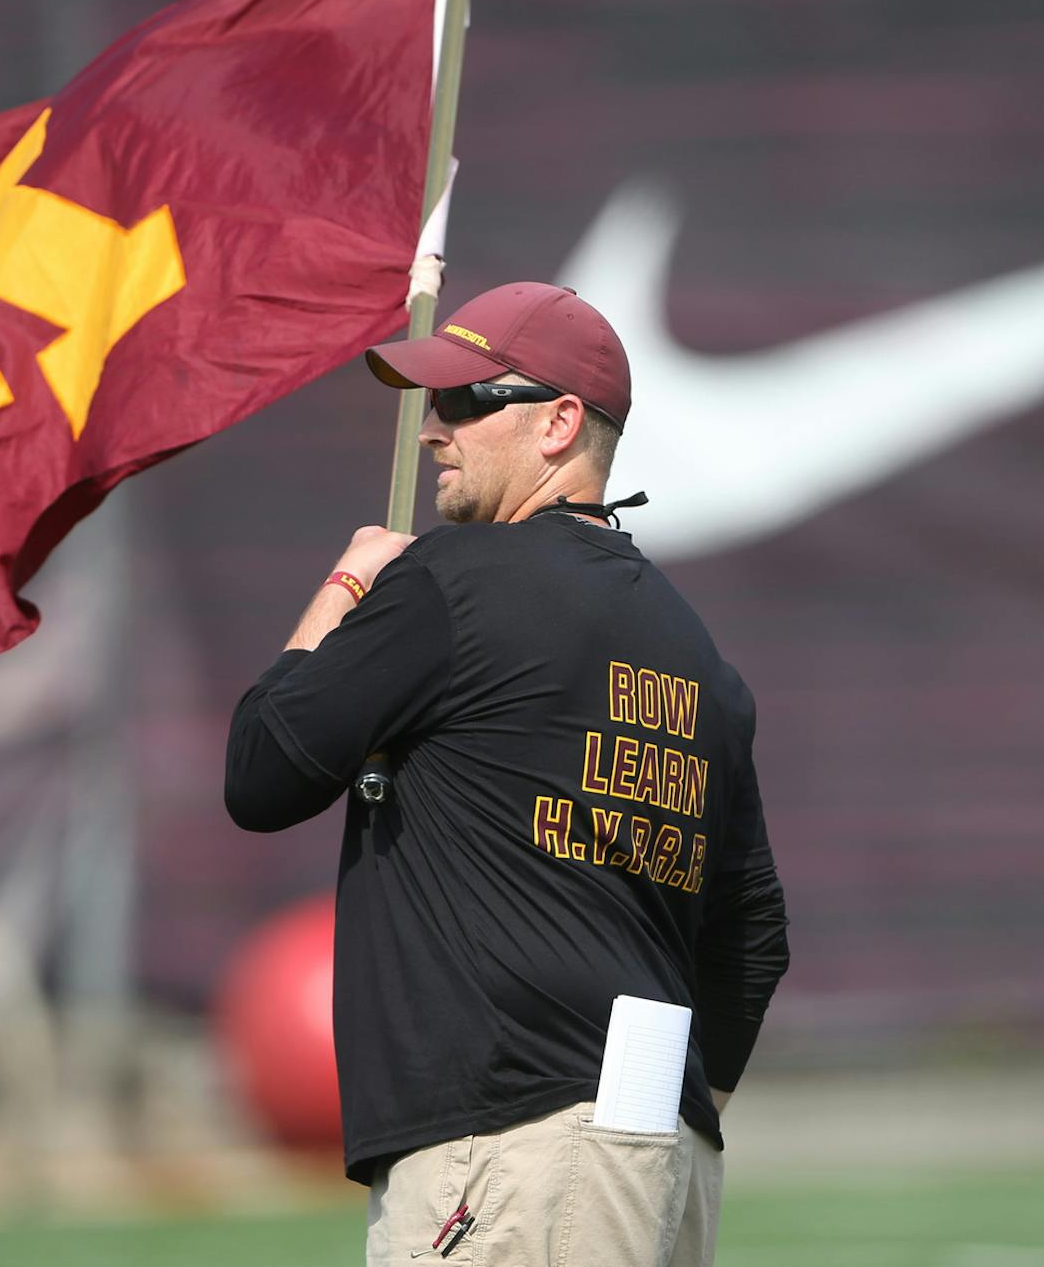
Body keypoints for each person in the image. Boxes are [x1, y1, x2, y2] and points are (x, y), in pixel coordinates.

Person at [224, 281, 790, 1266]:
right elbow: (754, 940)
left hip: (506, 1148)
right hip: (660, 1150)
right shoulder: (700, 652)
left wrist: (350, 580)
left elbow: (263, 770)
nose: (431, 427)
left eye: (463, 401)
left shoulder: (450, 580)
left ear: (559, 421)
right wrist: (653, 1128)